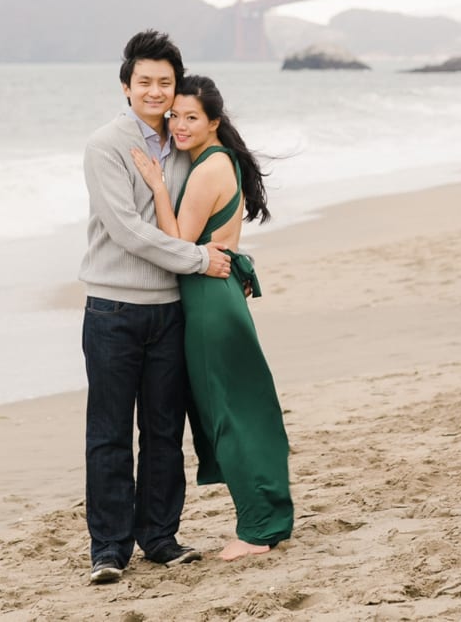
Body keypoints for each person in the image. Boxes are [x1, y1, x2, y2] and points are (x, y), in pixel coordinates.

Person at [80, 30, 233, 584]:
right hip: (113, 310)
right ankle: (109, 550)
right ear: (126, 87)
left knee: (165, 432)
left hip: (170, 310)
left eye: (164, 83)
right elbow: (126, 230)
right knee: (110, 432)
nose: (155, 91)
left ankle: (160, 538)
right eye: (144, 81)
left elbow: (212, 197)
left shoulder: (184, 142)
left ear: (176, 88)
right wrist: (198, 260)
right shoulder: (106, 145)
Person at [132, 73, 294, 561]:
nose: (179, 125)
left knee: (228, 415)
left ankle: (257, 531)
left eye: (191, 118)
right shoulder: (219, 159)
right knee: (241, 408)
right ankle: (266, 519)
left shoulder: (208, 168)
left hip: (207, 302)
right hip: (217, 295)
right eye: (174, 116)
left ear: (214, 122)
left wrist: (158, 187)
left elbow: (179, 242)